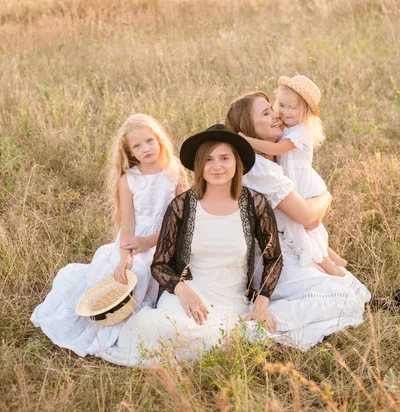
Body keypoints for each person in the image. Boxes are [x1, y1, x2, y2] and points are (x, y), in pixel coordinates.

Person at [98, 124, 283, 366]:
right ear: (199, 166)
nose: (216, 166)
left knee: (215, 336)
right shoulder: (182, 205)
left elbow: (274, 258)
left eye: (224, 158)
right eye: (208, 159)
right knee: (168, 328)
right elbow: (160, 264)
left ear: (237, 163)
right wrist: (182, 290)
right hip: (186, 293)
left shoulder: (255, 204)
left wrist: (261, 304)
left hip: (230, 298)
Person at [31, 113, 188, 357]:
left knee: (161, 269)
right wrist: (125, 254)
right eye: (137, 145)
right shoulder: (129, 180)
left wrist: (150, 241)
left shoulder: (174, 173)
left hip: (168, 238)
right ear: (130, 152)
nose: (145, 148)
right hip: (134, 240)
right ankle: (118, 316)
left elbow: (182, 218)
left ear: (160, 140)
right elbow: (127, 224)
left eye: (149, 141)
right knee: (130, 271)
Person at [225, 91, 371, 351]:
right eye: (266, 113)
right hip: (270, 259)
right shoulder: (258, 168)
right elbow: (305, 216)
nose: (276, 115)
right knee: (346, 296)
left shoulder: (273, 158)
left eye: (273, 109)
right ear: (247, 128)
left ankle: (272, 316)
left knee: (351, 287)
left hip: (289, 246)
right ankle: (257, 325)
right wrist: (326, 196)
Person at [239, 75, 346, 276]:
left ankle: (330, 267)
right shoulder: (287, 127)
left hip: (302, 182)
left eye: (292, 108)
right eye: (281, 105)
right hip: (293, 179)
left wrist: (247, 141)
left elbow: (277, 148)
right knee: (306, 228)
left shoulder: (300, 132)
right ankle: (336, 261)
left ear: (305, 111)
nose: (284, 112)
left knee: (303, 227)